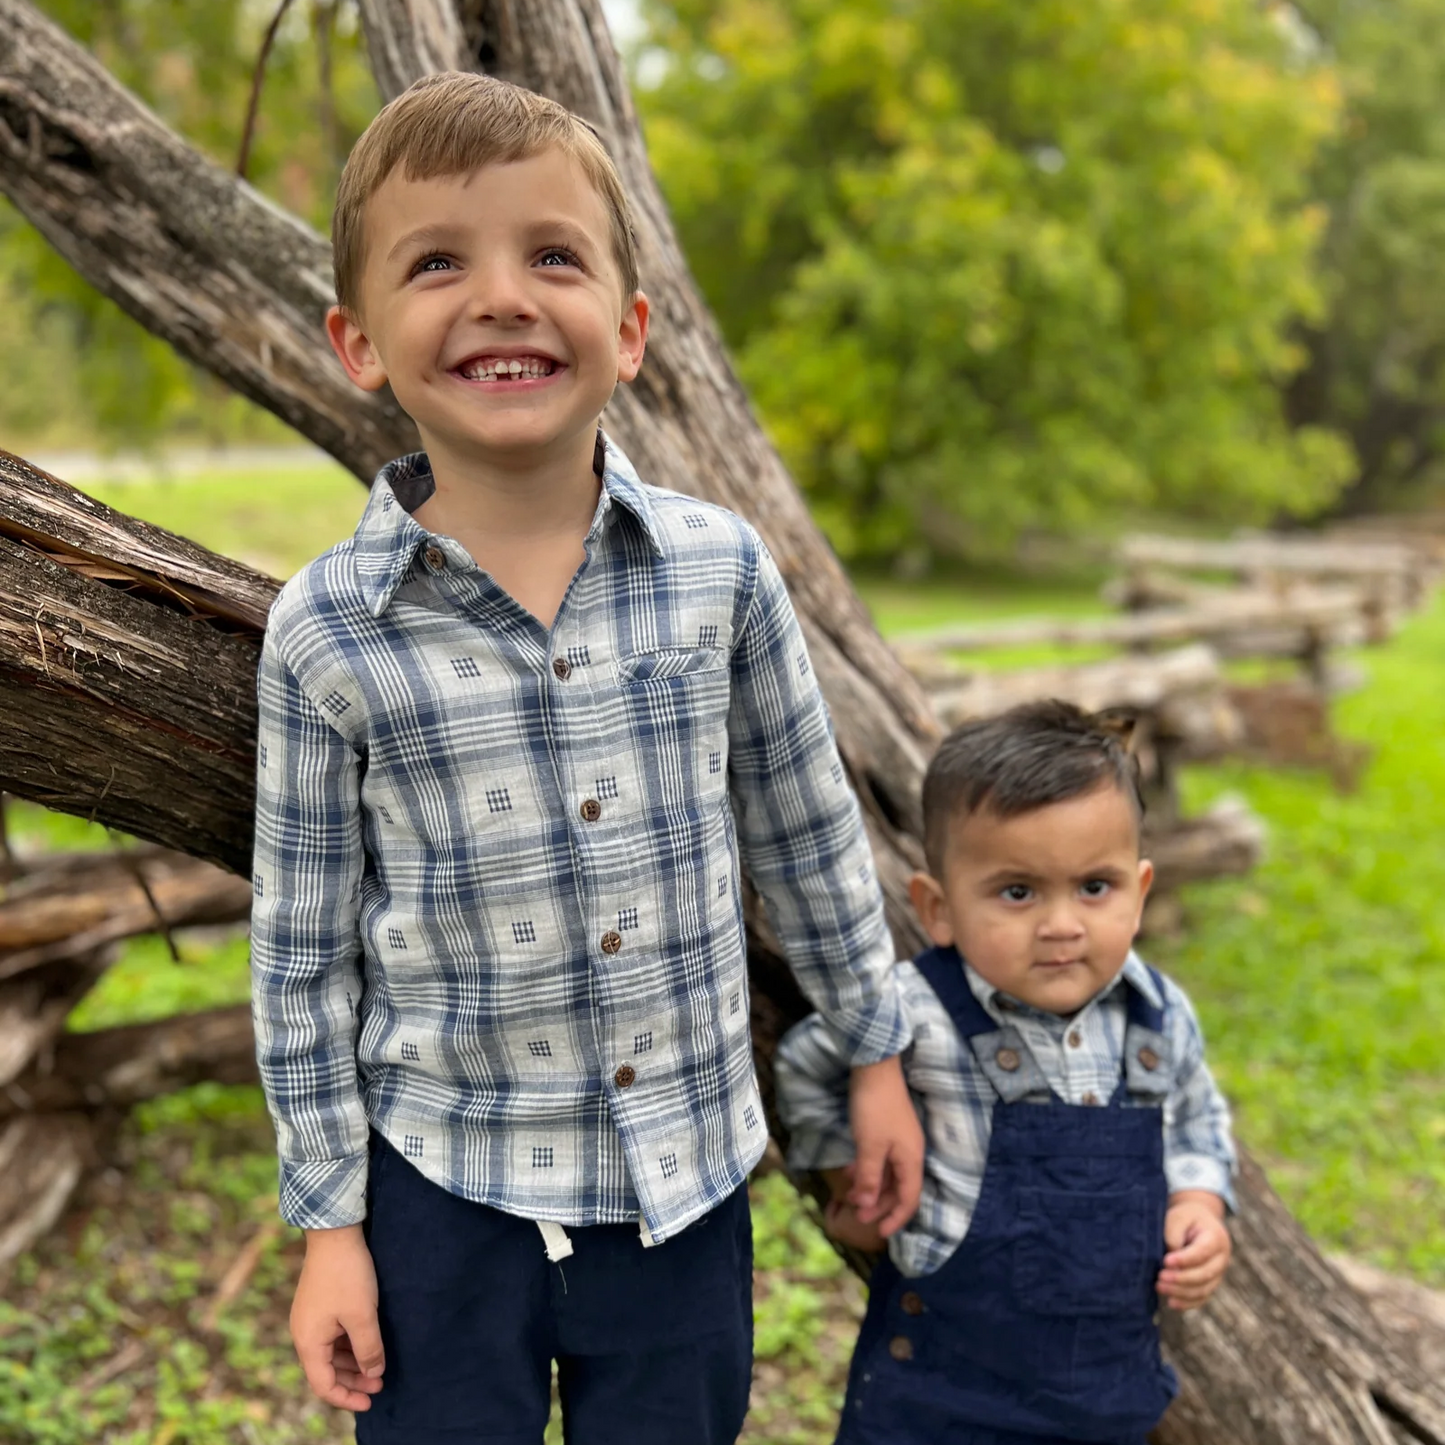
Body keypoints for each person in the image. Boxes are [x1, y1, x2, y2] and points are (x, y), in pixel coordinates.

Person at [248, 71, 924, 1445]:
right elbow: (302, 950)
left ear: (628, 328)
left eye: (551, 256)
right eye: (436, 263)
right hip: (439, 1191)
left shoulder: (717, 575)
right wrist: (327, 1222)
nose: (501, 297)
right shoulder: (325, 629)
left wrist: (873, 1055)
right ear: (358, 342)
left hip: (681, 1184)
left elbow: (805, 836)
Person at [775, 700, 1236, 1445]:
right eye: (1017, 891)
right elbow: (807, 1061)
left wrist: (1198, 1204)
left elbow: (1196, 1118)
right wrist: (845, 1178)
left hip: (1099, 1405)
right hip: (937, 1402)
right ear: (938, 907)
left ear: (1140, 891)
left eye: (1094, 887)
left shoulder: (1154, 1015)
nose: (1060, 924)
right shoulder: (910, 1010)